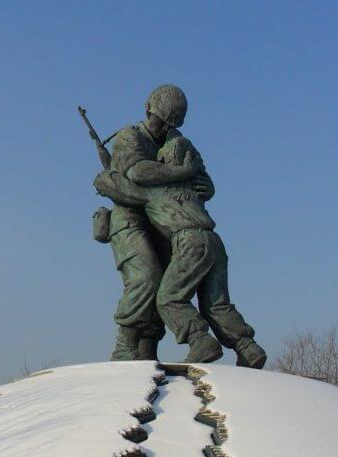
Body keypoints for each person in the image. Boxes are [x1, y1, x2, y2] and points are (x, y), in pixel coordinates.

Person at [94, 133, 267, 367]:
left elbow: (125, 185)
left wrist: (105, 178)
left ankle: (199, 340)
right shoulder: (194, 189)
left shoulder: (156, 191)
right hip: (214, 242)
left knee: (168, 299)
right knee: (216, 303)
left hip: (190, 243)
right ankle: (247, 347)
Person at [101, 85, 211, 361]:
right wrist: (181, 172)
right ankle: (124, 347)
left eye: (168, 122)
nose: (161, 127)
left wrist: (199, 183)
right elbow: (137, 171)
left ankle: (147, 351)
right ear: (147, 110)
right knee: (145, 278)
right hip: (129, 218)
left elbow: (204, 183)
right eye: (159, 120)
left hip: (163, 222)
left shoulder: (176, 142)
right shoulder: (130, 136)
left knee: (164, 285)